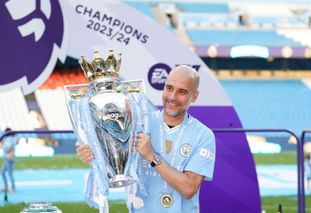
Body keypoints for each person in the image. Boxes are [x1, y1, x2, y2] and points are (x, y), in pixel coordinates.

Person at [77, 65, 216, 212]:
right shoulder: (138, 123)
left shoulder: (204, 135)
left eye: (182, 92)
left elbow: (189, 188)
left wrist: (151, 156)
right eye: (169, 88)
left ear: (194, 96)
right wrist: (94, 155)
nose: (172, 97)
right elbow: (116, 168)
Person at [0, 127, 17, 193]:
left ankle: (13, 188)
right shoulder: (9, 139)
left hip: (9, 158)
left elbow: (7, 148)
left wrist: (1, 145)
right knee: (2, 172)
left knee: (10, 173)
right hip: (7, 158)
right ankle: (6, 187)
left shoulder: (9, 139)